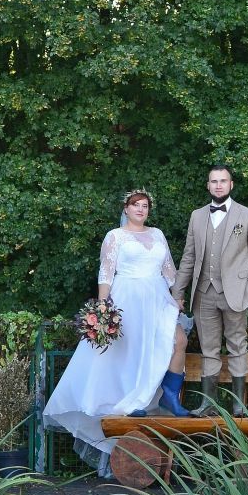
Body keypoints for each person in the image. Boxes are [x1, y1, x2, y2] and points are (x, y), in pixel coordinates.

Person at [43, 190, 190, 477]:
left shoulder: (158, 234)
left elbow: (170, 272)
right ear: (126, 208)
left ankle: (170, 397)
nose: (141, 209)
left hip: (157, 298)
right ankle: (132, 403)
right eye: (136, 205)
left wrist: (178, 296)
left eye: (146, 206)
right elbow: (106, 273)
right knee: (130, 351)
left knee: (178, 340)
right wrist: (102, 306)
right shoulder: (115, 236)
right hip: (128, 298)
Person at [171, 165, 248, 416]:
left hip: (236, 293)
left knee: (237, 345)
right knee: (209, 349)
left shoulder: (247, 216)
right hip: (203, 293)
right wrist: (178, 293)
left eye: (223, 181)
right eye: (213, 181)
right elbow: (189, 257)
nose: (218, 185)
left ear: (231, 184)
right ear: (208, 185)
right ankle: (208, 405)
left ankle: (238, 405)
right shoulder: (197, 216)